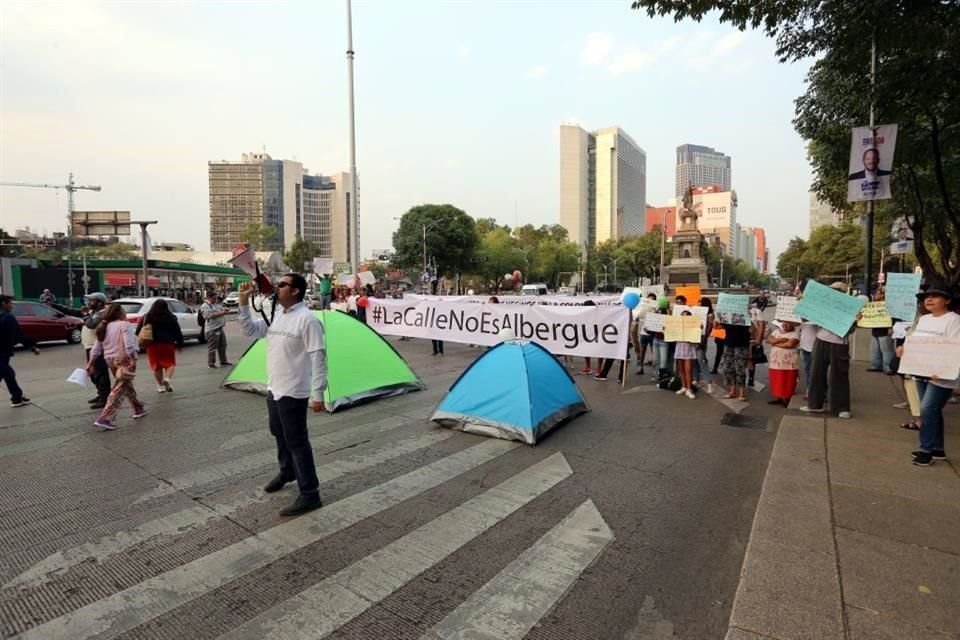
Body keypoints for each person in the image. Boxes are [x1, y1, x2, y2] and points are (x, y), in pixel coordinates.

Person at [237, 274, 327, 515]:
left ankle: (310, 493)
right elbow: (251, 330)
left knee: (297, 442)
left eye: (283, 284)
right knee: (278, 433)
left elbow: (318, 356)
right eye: (278, 284)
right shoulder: (276, 314)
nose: (277, 287)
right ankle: (287, 471)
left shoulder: (307, 320)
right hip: (275, 387)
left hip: (294, 391)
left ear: (296, 291)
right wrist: (244, 303)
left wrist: (317, 393)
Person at [902, 284, 960, 466]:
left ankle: (925, 450)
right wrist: (904, 348)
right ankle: (937, 448)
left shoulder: (954, 320)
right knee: (932, 411)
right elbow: (915, 340)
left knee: (927, 409)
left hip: (941, 375)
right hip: (922, 371)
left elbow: (955, 348)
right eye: (927, 297)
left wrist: (942, 369)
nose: (929, 299)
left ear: (947, 301)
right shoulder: (924, 319)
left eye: (935, 296)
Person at [48, 292, 112, 408]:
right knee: (93, 373)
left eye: (92, 301)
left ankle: (105, 397)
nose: (89, 303)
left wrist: (86, 314)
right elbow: (73, 311)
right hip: (89, 346)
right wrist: (55, 305)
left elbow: (91, 324)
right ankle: (101, 394)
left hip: (98, 347)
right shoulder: (93, 312)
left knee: (100, 373)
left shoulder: (102, 313)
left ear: (99, 303)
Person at [87, 303, 146, 430]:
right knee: (119, 387)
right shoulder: (125, 325)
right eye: (123, 310)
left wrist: (90, 363)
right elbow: (129, 344)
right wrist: (133, 358)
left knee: (125, 382)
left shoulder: (104, 326)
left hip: (109, 359)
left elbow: (96, 348)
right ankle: (105, 417)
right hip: (124, 358)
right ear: (119, 313)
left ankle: (138, 407)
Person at [802, 283, 857, 418]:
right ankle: (815, 404)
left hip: (839, 343)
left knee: (839, 376)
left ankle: (842, 408)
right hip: (821, 339)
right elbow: (806, 318)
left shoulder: (850, 308)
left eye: (837, 291)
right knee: (816, 373)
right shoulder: (824, 305)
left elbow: (852, 329)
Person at [136, 299, 184, 393]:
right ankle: (167, 379)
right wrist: (179, 342)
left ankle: (160, 386)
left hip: (152, 345)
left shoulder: (147, 316)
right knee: (170, 363)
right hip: (168, 344)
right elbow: (177, 331)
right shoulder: (171, 317)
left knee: (156, 365)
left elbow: (139, 330)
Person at [0, 295, 40, 407]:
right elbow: (17, 335)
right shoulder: (8, 317)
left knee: (9, 374)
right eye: (10, 303)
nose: (12, 306)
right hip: (2, 352)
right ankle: (17, 397)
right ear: (4, 303)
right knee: (4, 372)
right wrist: (32, 347)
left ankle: (17, 397)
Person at [767, 320, 801, 407]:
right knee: (777, 379)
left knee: (787, 379)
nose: (785, 325)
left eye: (788, 323)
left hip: (789, 363)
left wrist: (776, 343)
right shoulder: (776, 332)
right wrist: (781, 340)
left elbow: (790, 344)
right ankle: (778, 396)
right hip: (775, 362)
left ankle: (786, 398)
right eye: (783, 323)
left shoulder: (795, 333)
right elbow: (769, 340)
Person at [720, 320, 750, 401]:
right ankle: (732, 391)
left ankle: (742, 392)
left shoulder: (745, 315)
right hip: (728, 343)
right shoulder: (727, 316)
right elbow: (718, 326)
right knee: (728, 368)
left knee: (740, 368)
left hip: (742, 344)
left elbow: (753, 328)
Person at [200, 291, 231, 369]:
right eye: (214, 298)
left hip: (220, 328)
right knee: (212, 347)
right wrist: (223, 313)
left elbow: (221, 309)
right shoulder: (205, 306)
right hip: (212, 330)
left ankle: (223, 361)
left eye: (216, 298)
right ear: (209, 297)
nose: (215, 300)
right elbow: (208, 316)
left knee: (223, 345)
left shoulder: (215, 305)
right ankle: (211, 363)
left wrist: (225, 309)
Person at [673, 310, 698, 399]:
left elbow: (696, 338)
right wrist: (666, 330)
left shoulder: (692, 326)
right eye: (682, 316)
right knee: (681, 369)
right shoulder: (677, 326)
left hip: (688, 349)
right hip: (679, 347)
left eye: (686, 316)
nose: (684, 317)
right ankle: (683, 387)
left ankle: (689, 389)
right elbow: (671, 335)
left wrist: (699, 328)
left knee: (688, 370)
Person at [797, 321, 819, 399]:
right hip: (805, 344)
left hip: (818, 345)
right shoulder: (803, 313)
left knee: (817, 370)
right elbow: (797, 326)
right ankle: (809, 391)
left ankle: (819, 393)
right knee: (808, 369)